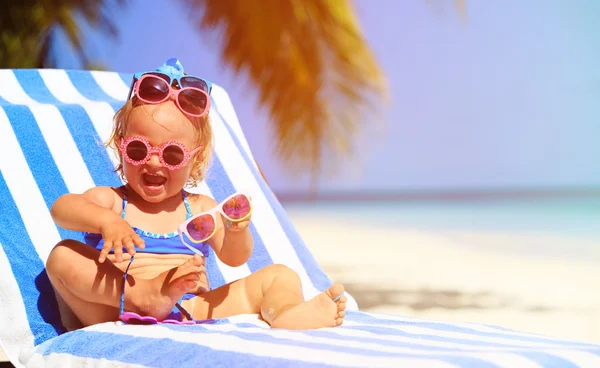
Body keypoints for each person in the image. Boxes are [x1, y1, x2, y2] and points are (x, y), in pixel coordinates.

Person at [45, 58, 346, 330]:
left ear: (195, 160)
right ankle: (140, 295)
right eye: (138, 149)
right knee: (62, 255)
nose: (153, 162)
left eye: (172, 155)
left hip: (188, 308)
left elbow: (234, 257)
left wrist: (236, 230)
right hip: (116, 309)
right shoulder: (113, 201)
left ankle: (285, 312)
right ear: (120, 147)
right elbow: (62, 208)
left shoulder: (200, 208)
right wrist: (106, 223)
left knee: (280, 274)